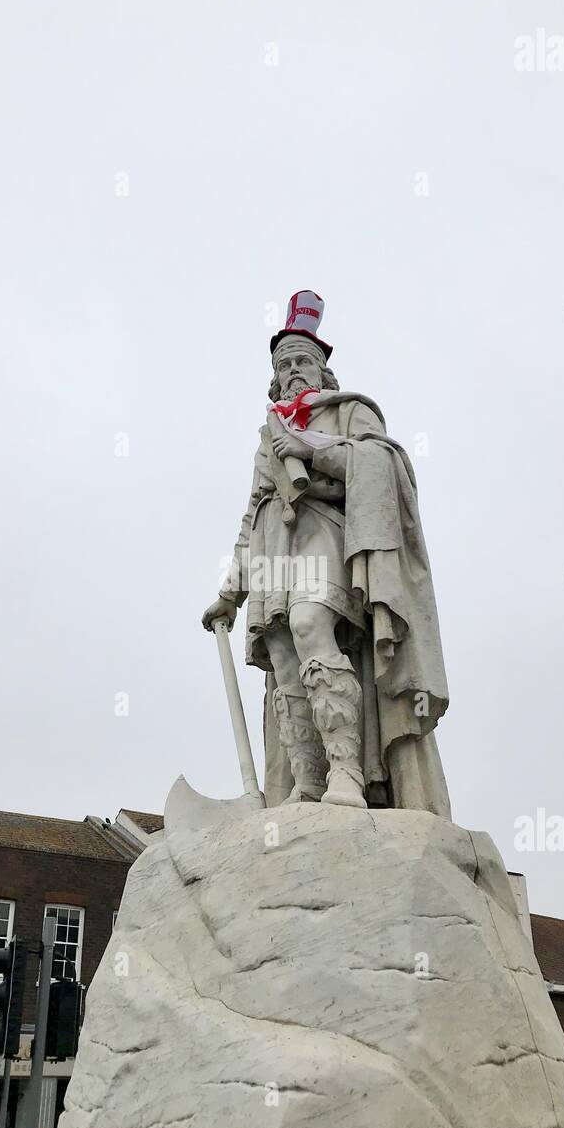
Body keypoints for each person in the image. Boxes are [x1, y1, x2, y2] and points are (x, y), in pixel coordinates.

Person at [202, 290, 451, 815]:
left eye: (302, 362)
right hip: (273, 545)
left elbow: (384, 465)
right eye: (284, 364)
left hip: (324, 531)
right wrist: (229, 592)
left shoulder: (348, 412)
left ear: (322, 372)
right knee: (285, 657)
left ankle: (348, 772)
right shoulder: (265, 438)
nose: (293, 371)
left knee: (312, 624)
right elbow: (252, 512)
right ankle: (309, 781)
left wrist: (311, 449)